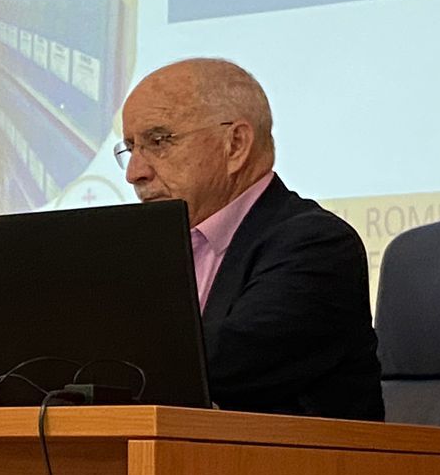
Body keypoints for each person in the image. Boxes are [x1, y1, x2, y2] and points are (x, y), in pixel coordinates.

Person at [117, 56, 384, 421]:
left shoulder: (317, 245)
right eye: (131, 148)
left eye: (159, 141)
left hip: (294, 471)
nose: (135, 173)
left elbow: (227, 364)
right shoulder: (150, 252)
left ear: (236, 145)